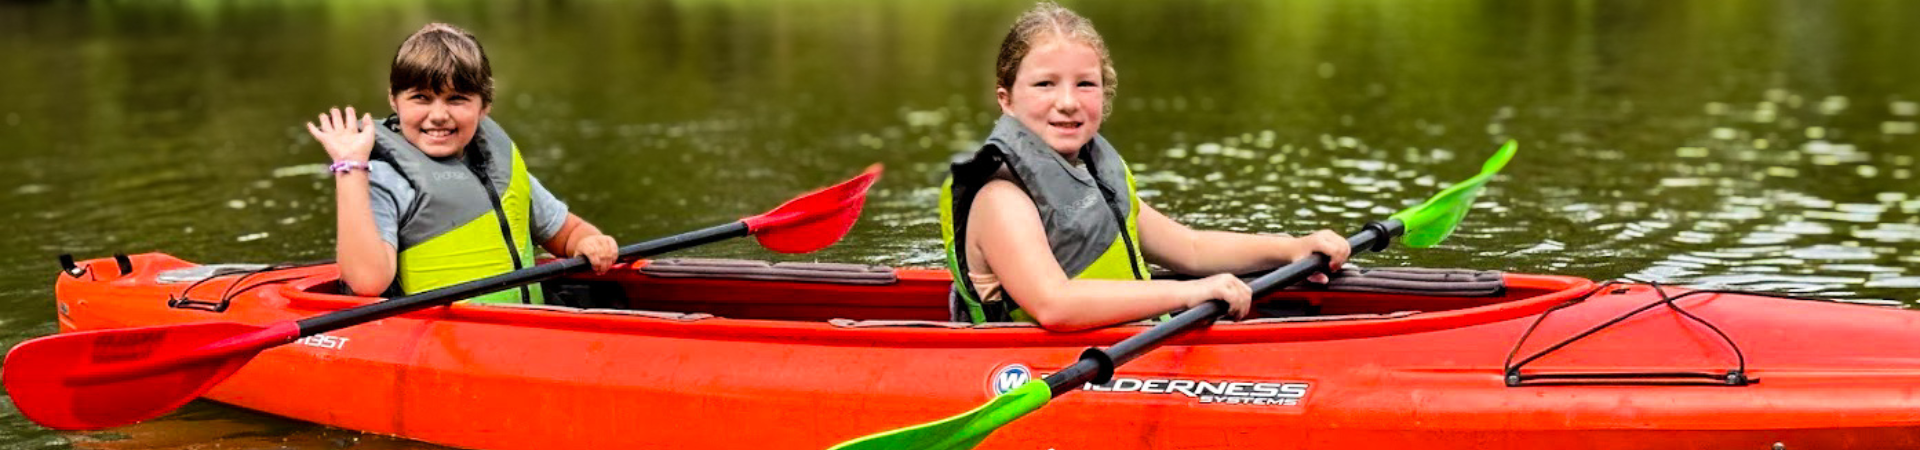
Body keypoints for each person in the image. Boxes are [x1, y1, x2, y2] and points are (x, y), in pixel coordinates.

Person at [941, 2, 1352, 331]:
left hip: (1126, 336)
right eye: (1044, 84)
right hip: (1039, 362)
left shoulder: (1090, 172)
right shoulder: (1001, 195)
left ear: (1105, 94)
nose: (1067, 102)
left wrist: (1292, 248)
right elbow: (1054, 304)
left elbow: (1190, 249)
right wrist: (1186, 295)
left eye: (1085, 84)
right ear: (1006, 99)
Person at [305, 23, 617, 304]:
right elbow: (366, 282)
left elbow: (568, 233)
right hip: (439, 341)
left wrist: (590, 242)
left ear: (485, 106)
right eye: (421, 98)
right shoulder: (386, 180)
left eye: (456, 99)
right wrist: (349, 168)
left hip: (525, 331)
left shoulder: (500, 169)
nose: (439, 114)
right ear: (394, 100)